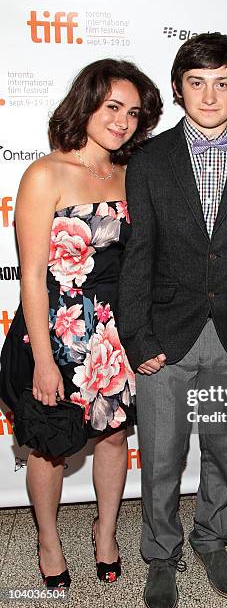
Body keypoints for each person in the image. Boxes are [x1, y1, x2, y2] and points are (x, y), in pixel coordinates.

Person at [118, 33, 227, 608]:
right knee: (162, 457)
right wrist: (138, 336)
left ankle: (212, 541)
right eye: (197, 82)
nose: (209, 95)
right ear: (178, 88)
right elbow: (136, 257)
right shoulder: (147, 160)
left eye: (223, 83)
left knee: (222, 450)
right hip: (167, 336)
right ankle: (160, 555)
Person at [0, 59, 162, 588]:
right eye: (112, 106)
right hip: (55, 329)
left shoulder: (130, 173)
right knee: (51, 445)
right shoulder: (44, 174)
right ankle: (48, 541)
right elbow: (30, 279)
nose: (122, 121)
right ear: (86, 102)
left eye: (133, 113)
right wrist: (43, 360)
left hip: (112, 334)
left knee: (114, 439)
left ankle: (106, 532)